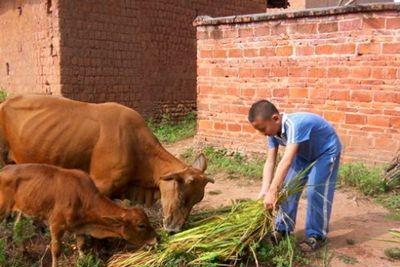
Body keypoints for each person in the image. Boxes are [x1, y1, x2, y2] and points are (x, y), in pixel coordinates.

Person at [248, 100, 342, 252]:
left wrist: (273, 191)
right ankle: (282, 229)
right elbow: (270, 161)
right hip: (303, 154)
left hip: (325, 152)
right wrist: (265, 189)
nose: (262, 133)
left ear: (275, 119)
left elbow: (286, 161)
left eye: (262, 128)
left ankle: (316, 235)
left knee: (316, 191)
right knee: (287, 188)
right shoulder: (272, 132)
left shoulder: (295, 124)